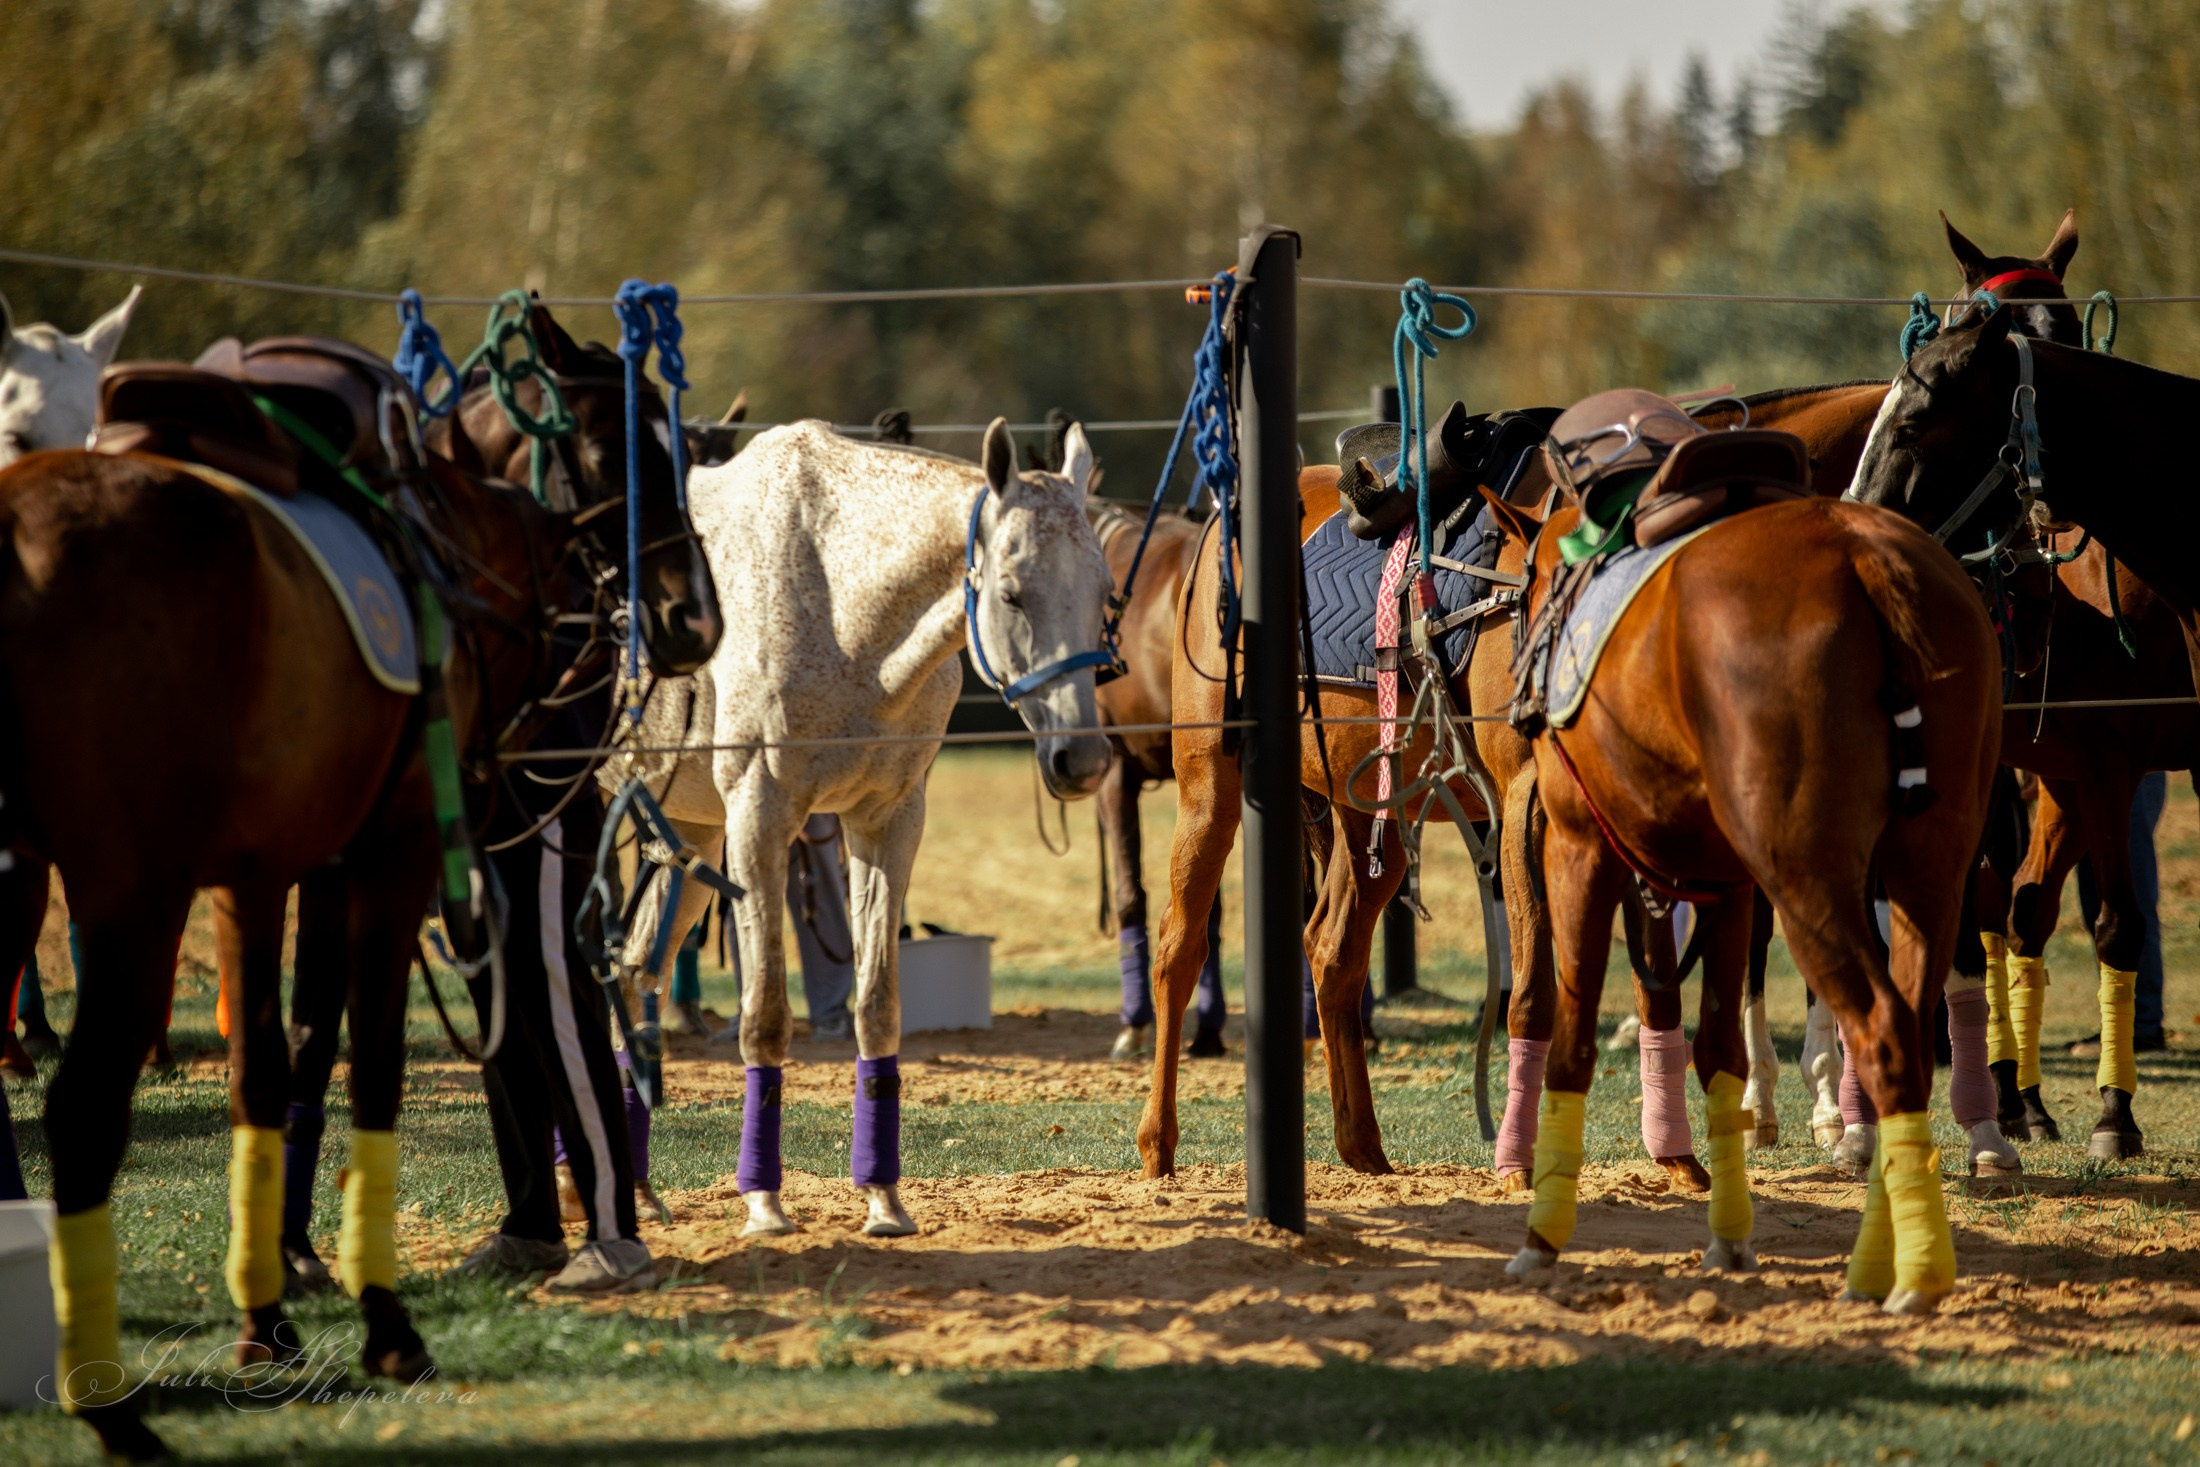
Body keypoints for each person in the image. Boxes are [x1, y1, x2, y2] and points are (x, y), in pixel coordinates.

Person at [2070, 770, 2169, 1055]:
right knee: (2097, 904)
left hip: (2134, 769)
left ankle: (2143, 1026)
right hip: (2092, 767)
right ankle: (2119, 1021)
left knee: (2130, 898)